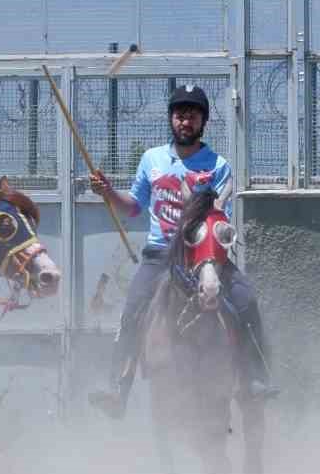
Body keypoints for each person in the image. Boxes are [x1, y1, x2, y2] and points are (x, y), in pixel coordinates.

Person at [85, 84, 278, 419]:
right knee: (132, 308)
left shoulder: (218, 166)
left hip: (204, 254)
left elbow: (219, 220)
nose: (185, 121)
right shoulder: (152, 160)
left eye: (192, 115)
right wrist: (109, 194)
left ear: (203, 121)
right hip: (160, 255)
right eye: (179, 114)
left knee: (246, 298)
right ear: (171, 120)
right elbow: (133, 207)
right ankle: (118, 386)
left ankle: (255, 378)